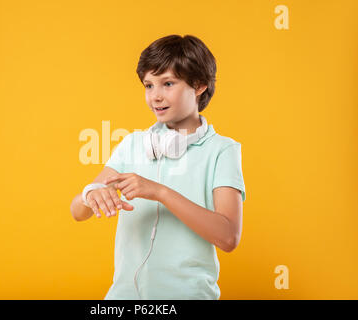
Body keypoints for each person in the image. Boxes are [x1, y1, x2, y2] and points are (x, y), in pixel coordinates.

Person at [69, 34, 246, 300]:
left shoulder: (222, 150)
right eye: (149, 85)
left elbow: (228, 237)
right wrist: (91, 194)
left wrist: (160, 192)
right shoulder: (132, 144)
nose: (155, 97)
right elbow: (77, 212)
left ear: (199, 86)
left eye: (168, 83)